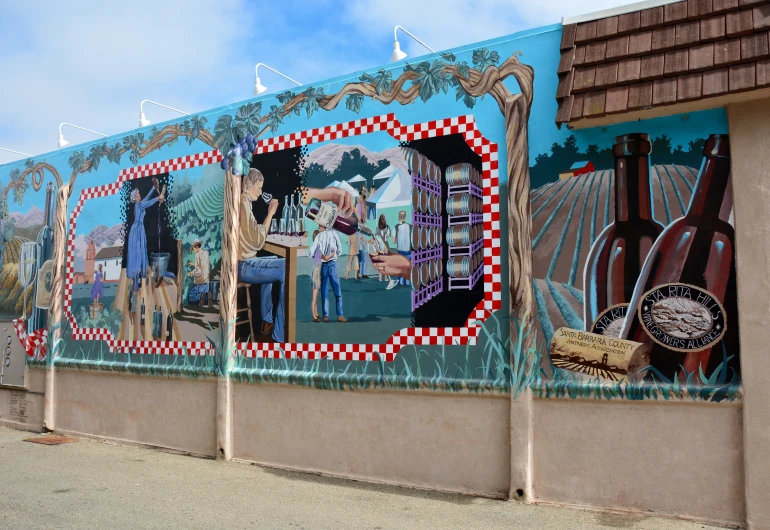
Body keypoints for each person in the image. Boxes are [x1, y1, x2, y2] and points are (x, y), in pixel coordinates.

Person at [238, 169, 285, 341]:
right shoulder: (243, 204)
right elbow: (258, 242)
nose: (260, 192)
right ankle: (280, 333)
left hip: (245, 262)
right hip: (245, 266)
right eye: (258, 188)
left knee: (274, 260)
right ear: (248, 185)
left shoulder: (245, 204)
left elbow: (253, 234)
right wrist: (271, 213)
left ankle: (267, 321)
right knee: (288, 267)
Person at [126, 178, 165, 292]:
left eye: (138, 193)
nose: (139, 195)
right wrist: (158, 197)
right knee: (137, 255)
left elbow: (147, 198)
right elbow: (148, 203)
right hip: (137, 231)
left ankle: (136, 282)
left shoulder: (139, 203)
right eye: (138, 194)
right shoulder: (139, 205)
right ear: (135, 197)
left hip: (138, 230)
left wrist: (153, 188)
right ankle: (135, 283)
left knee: (139, 253)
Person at [308, 225, 347, 323]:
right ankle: (340, 315)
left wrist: (318, 256)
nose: (318, 227)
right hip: (332, 264)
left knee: (324, 292)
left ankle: (326, 316)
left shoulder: (318, 236)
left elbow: (311, 252)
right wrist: (335, 254)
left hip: (323, 266)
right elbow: (340, 249)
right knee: (337, 291)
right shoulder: (334, 233)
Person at [374, 214, 398, 290]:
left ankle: (380, 277)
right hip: (385, 245)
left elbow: (376, 237)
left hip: (380, 246)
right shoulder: (387, 227)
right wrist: (385, 236)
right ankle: (386, 278)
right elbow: (388, 236)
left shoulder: (377, 228)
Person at [187, 239, 211, 307]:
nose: (193, 251)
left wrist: (190, 273)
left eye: (193, 249)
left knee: (191, 298)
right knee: (202, 293)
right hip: (206, 283)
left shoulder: (197, 254)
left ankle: (201, 296)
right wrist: (194, 264)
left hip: (200, 283)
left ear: (196, 247)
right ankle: (206, 297)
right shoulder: (206, 253)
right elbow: (203, 266)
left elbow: (199, 270)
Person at [392, 210, 412, 287]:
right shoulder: (410, 226)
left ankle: (400, 282)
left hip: (400, 251)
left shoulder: (396, 227)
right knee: (408, 267)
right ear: (405, 217)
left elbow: (393, 241)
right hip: (409, 251)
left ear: (398, 217)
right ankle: (407, 282)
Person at [354, 193, 369, 279]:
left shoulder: (358, 205)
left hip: (358, 243)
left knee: (359, 259)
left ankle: (359, 273)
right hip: (360, 244)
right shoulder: (359, 205)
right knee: (363, 259)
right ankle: (362, 273)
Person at [310, 229, 322, 323]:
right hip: (317, 272)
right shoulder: (319, 248)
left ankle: (316, 313)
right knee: (315, 296)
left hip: (314, 271)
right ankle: (314, 316)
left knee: (315, 294)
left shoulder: (314, 248)